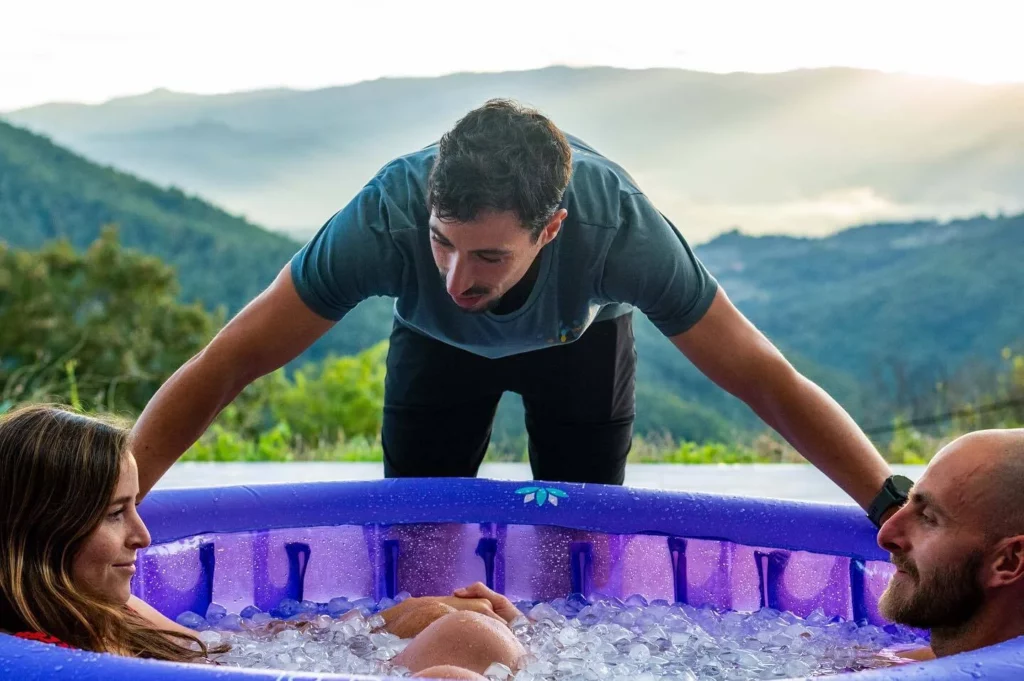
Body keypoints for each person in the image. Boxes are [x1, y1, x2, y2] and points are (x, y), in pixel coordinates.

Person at [129, 98, 904, 527]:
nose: (459, 276)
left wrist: (885, 500)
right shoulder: (382, 217)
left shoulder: (619, 231)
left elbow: (763, 377)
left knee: (580, 544)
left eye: (490, 256)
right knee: (417, 538)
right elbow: (229, 360)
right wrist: (108, 498)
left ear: (552, 229)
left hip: (583, 345)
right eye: (443, 244)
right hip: (434, 349)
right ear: (427, 207)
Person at [0, 405, 524, 679]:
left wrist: (391, 620)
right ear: (44, 528)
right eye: (116, 514)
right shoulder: (46, 657)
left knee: (475, 635)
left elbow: (226, 653)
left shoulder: (100, 608)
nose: (143, 536)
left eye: (135, 506)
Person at [876, 428, 1024, 661]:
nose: (885, 535)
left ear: (1009, 561)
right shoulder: (900, 663)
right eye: (907, 502)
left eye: (927, 517)